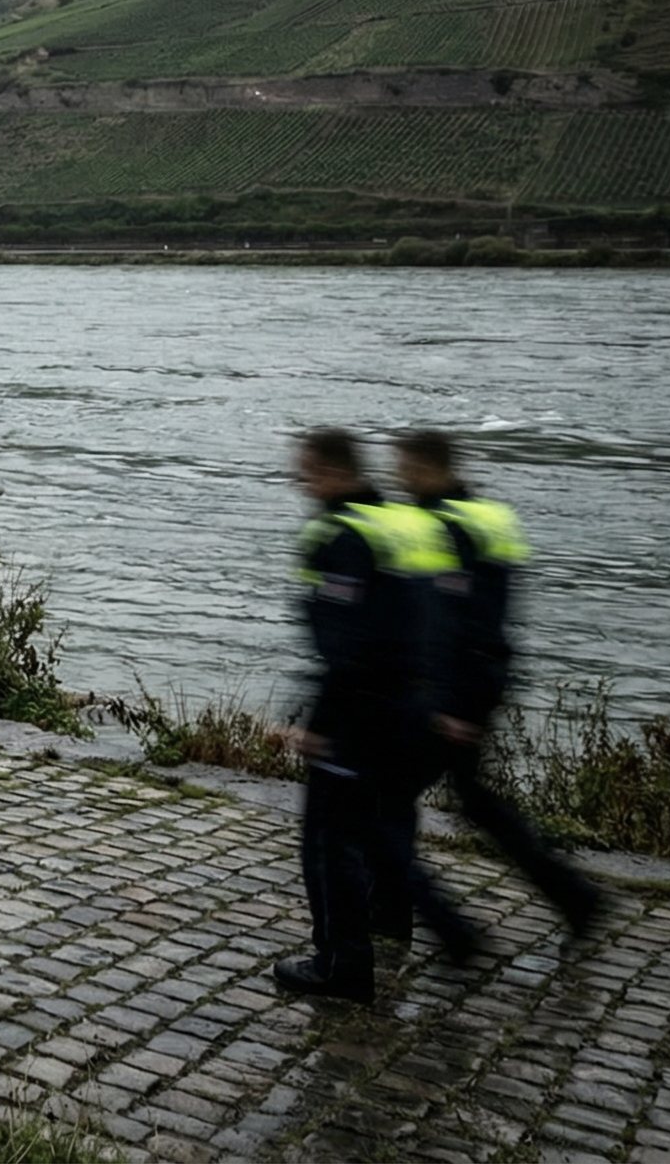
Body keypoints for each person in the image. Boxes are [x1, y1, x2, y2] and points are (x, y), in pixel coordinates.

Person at [387, 429, 603, 951]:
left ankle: (451, 931)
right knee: (476, 803)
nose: (400, 479)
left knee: (381, 805)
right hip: (479, 685)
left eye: (406, 469)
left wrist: (454, 705)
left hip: (456, 695)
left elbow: (460, 624)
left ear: (428, 468)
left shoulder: (449, 527)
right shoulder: (485, 517)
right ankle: (573, 897)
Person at [275, 427, 455, 1000]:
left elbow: (347, 649)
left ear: (332, 471)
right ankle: (392, 919)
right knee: (383, 821)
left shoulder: (342, 536)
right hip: (411, 704)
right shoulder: (400, 523)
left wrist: (318, 724)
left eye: (306, 471)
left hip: (361, 714)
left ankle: (341, 965)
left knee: (329, 843)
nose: (300, 482)